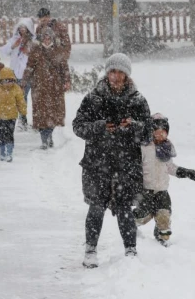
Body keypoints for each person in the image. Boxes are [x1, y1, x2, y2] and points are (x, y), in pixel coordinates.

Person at [72, 53, 152, 268]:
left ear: (127, 75)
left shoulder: (137, 100)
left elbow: (148, 134)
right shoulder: (93, 98)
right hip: (97, 163)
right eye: (112, 71)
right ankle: (90, 250)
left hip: (126, 165)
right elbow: (78, 126)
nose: (115, 76)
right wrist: (98, 127)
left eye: (120, 72)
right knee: (96, 207)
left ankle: (130, 250)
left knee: (125, 207)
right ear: (107, 73)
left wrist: (133, 126)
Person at [134, 113, 195, 247]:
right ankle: (130, 229)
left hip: (162, 191)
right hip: (146, 190)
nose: (161, 135)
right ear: (151, 132)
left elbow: (170, 167)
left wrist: (189, 173)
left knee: (164, 216)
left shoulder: (166, 148)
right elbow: (136, 168)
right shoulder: (144, 148)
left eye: (164, 132)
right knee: (142, 216)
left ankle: (162, 236)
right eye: (157, 132)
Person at [24, 29, 71, 149]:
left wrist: (67, 81)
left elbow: (64, 68)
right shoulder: (35, 51)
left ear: (52, 38)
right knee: (40, 115)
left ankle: (48, 135)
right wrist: (24, 80)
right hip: (39, 88)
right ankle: (44, 139)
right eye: (44, 37)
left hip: (55, 88)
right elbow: (29, 67)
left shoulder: (58, 51)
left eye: (49, 37)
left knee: (53, 114)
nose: (46, 39)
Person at [0, 68, 28, 162]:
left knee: (10, 134)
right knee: (2, 134)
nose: (8, 83)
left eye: (11, 80)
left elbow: (20, 100)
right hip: (0, 116)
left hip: (12, 116)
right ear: (1, 81)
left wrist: (23, 111)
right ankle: (2, 152)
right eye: (6, 81)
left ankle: (9, 152)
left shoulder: (16, 88)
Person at [0, 18, 35, 130]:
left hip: (29, 74)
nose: (22, 30)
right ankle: (22, 120)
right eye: (21, 28)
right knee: (20, 97)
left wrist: (29, 52)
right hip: (16, 74)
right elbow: (4, 51)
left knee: (32, 98)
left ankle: (35, 121)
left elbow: (38, 55)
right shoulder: (14, 39)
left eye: (25, 28)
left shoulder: (33, 41)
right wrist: (13, 46)